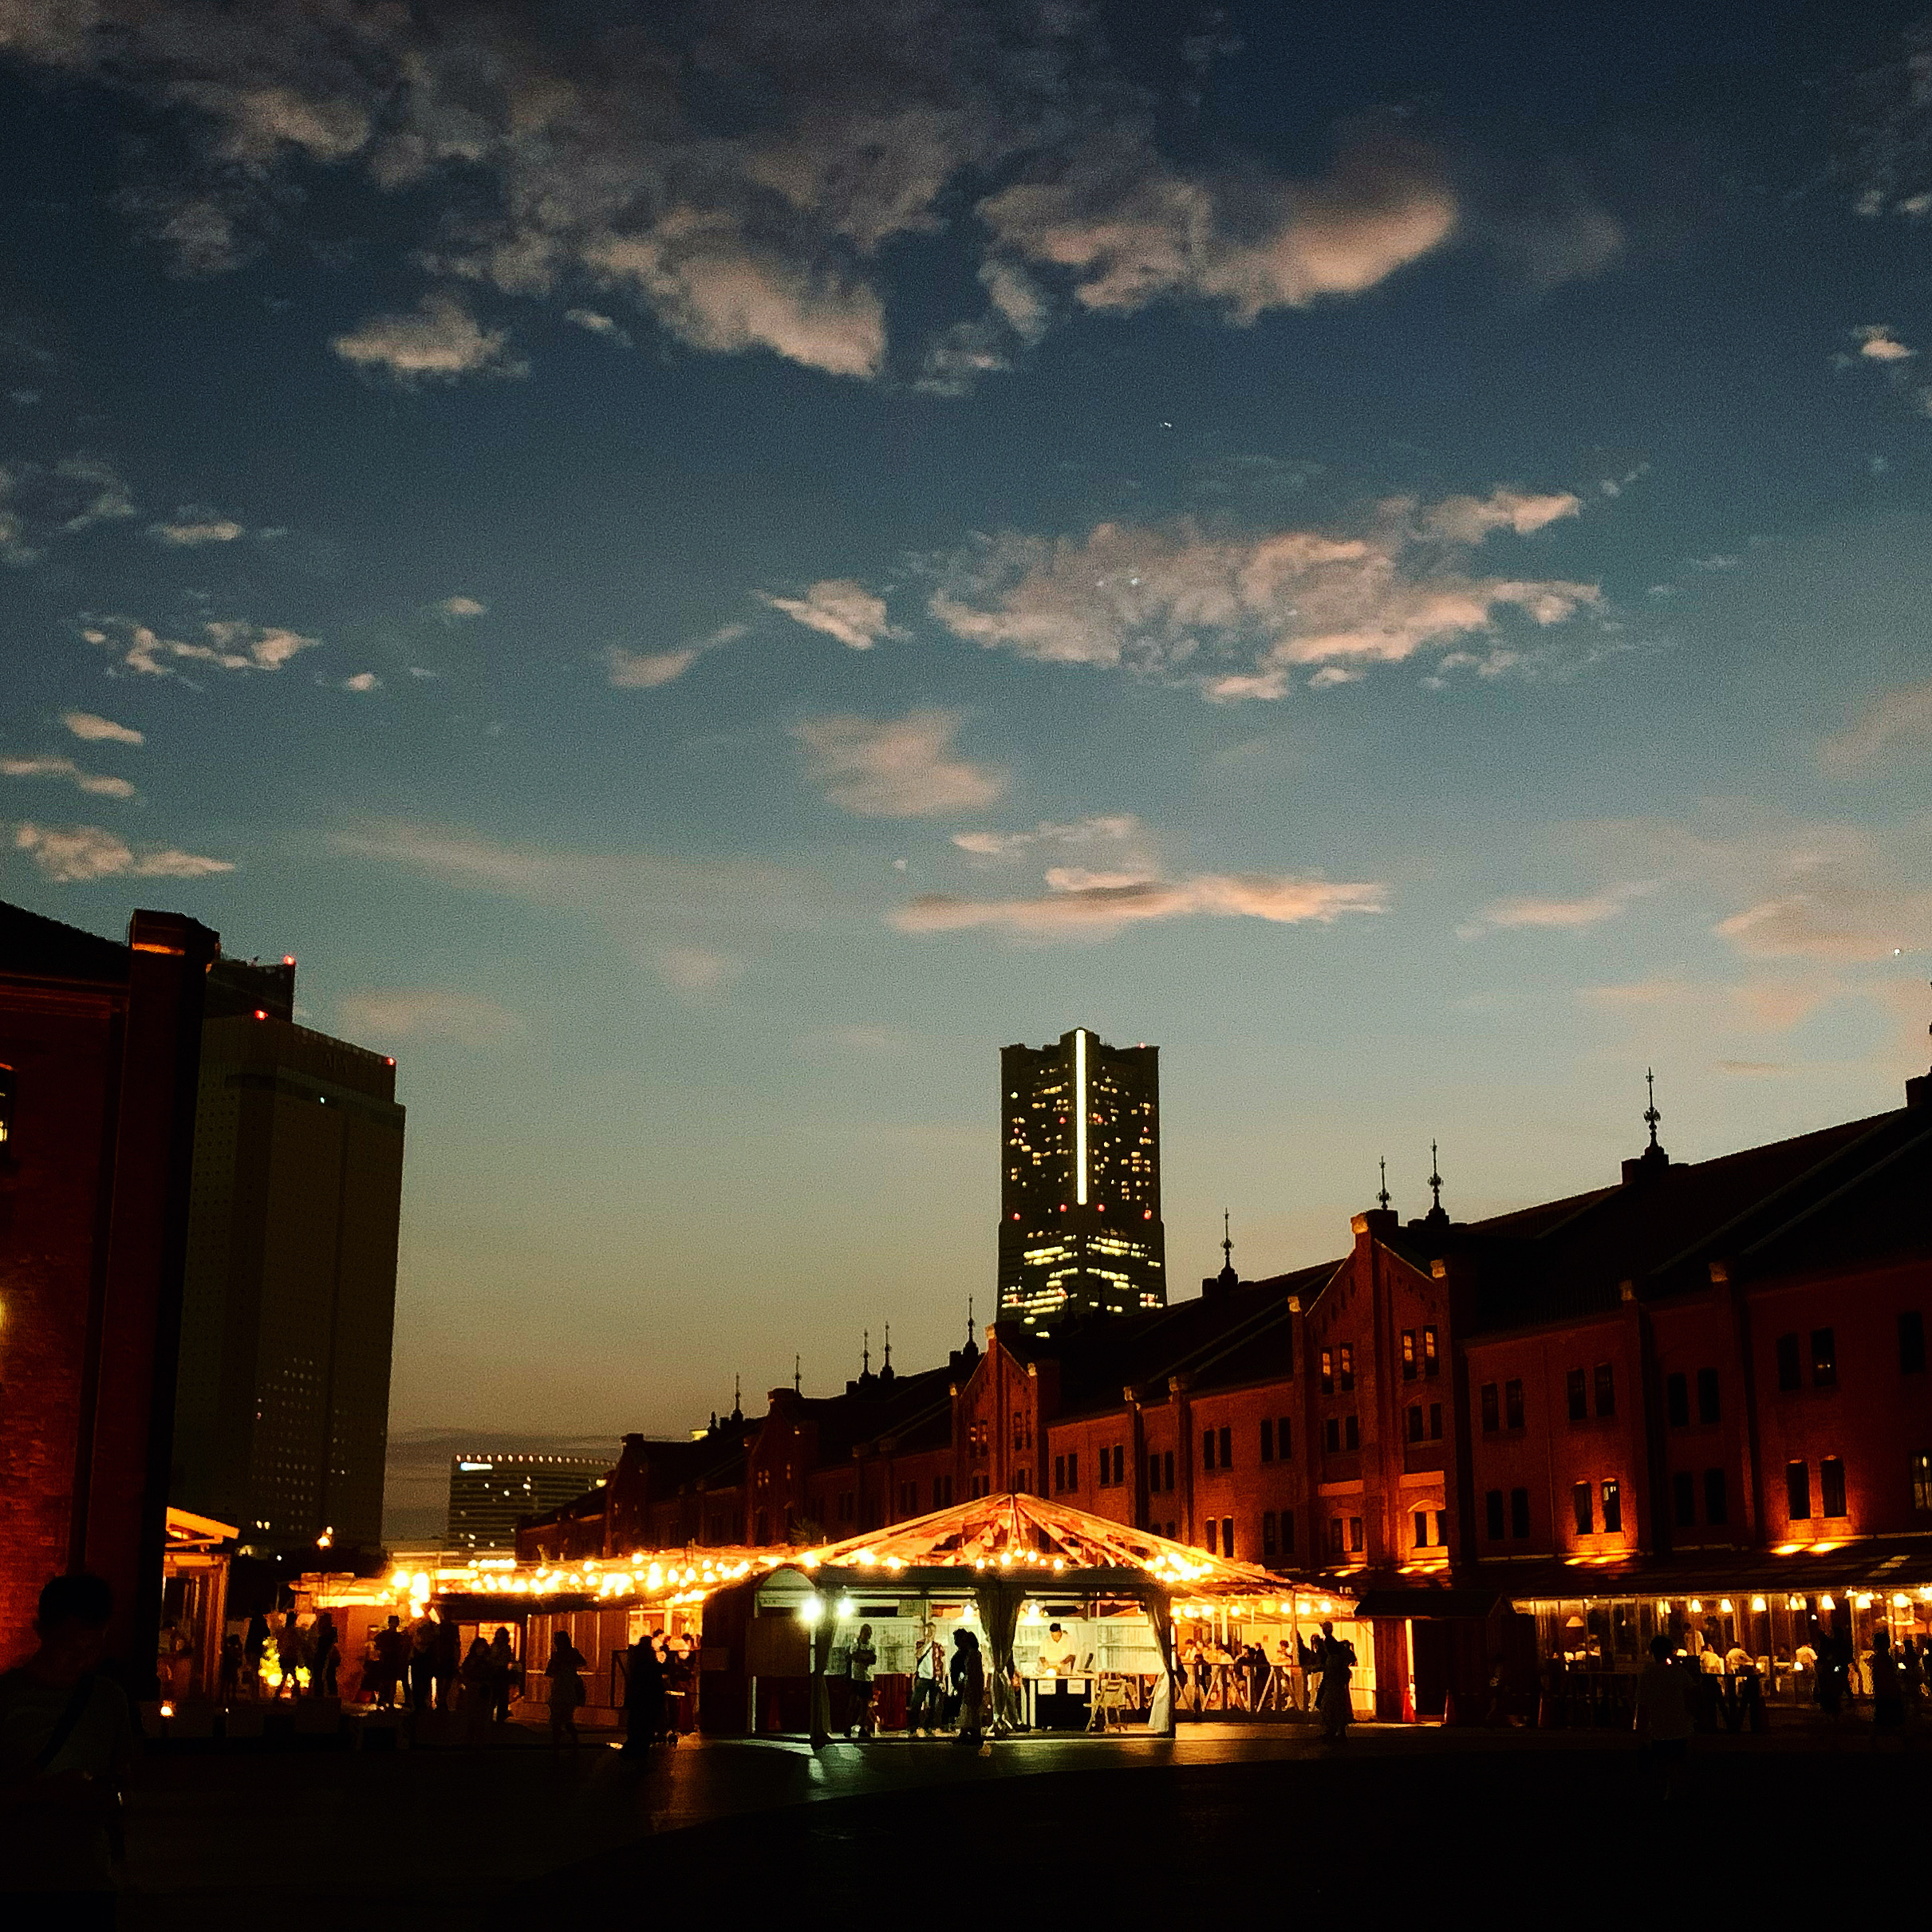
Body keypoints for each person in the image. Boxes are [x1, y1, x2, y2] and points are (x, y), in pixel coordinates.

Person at [0, 1571, 136, 1915]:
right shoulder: (8, 1699)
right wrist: (41, 1792)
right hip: (17, 1881)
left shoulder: (109, 1700)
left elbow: (123, 1778)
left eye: (93, 1646)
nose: (82, 1658)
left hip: (89, 1881)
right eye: (69, 1646)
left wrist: (108, 1796)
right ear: (42, 1632)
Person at [1634, 1634, 1694, 1802]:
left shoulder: (1648, 1675)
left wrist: (1640, 1732)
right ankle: (1677, 1796)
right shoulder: (1680, 1673)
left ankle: (1663, 1796)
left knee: (1661, 1767)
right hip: (1680, 1727)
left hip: (1658, 1728)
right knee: (1679, 1766)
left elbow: (1643, 1705)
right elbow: (1691, 1698)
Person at [621, 1632, 665, 1755]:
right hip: (648, 1694)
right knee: (646, 1721)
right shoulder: (648, 1656)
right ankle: (641, 1753)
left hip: (637, 1693)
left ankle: (633, 1748)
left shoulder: (635, 1657)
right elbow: (658, 1669)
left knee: (636, 1720)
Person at [545, 1632, 588, 1748]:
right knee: (564, 1718)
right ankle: (569, 1740)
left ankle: (560, 1741)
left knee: (559, 1718)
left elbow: (549, 1672)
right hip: (565, 1687)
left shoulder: (560, 1655)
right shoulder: (568, 1654)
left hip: (562, 1687)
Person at [1315, 1621, 1354, 1742]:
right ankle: (1338, 1731)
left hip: (1333, 1682)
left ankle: (1333, 1731)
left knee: (1329, 1706)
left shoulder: (1331, 1647)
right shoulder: (1334, 1645)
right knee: (1336, 1706)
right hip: (1335, 1681)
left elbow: (1328, 1665)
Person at [951, 1630, 986, 1751]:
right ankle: (968, 1733)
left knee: (970, 1710)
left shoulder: (971, 1655)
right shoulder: (975, 1654)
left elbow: (971, 1673)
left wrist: (966, 1685)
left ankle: (972, 1734)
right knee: (970, 1710)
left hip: (971, 1685)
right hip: (974, 1685)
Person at [909, 1622, 943, 1737]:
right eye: (928, 1631)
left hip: (935, 1678)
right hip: (923, 1677)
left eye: (932, 1631)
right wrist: (927, 1643)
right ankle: (915, 1726)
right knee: (917, 1702)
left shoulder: (938, 1647)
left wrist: (942, 1679)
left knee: (934, 1704)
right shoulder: (920, 1644)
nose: (931, 1633)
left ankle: (931, 1726)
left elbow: (941, 1663)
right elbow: (918, 1655)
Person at [1871, 1626, 1905, 1740]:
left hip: (1885, 1690)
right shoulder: (1884, 1658)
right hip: (1888, 1690)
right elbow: (1887, 1674)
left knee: (1883, 1716)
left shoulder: (1881, 1657)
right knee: (1890, 1715)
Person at [845, 1622, 878, 1738]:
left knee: (865, 1705)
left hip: (867, 1678)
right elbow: (855, 1656)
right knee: (853, 1704)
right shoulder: (855, 1645)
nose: (867, 1635)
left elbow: (873, 1659)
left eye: (869, 1633)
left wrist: (862, 1657)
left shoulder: (872, 1647)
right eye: (865, 1633)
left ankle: (862, 1727)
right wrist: (865, 1657)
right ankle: (848, 1727)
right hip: (856, 1677)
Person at [408, 1612, 437, 1714]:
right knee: (420, 1681)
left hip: (424, 1657)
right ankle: (419, 1702)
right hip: (420, 1657)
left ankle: (421, 1702)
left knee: (422, 1681)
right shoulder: (419, 1626)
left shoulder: (431, 1627)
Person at [487, 1627, 517, 1724]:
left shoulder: (505, 1647)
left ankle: (500, 1717)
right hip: (494, 1673)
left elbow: (506, 1660)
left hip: (502, 1673)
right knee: (493, 1696)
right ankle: (491, 1716)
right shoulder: (494, 1646)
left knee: (502, 1697)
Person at [433, 1616, 461, 1713]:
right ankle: (441, 1700)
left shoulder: (442, 1633)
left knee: (443, 1682)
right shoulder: (444, 1633)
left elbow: (456, 1645)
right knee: (443, 1682)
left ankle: (442, 1700)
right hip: (444, 1659)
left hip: (445, 1659)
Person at [310, 1612, 341, 1700]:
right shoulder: (327, 1633)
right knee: (323, 1676)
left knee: (327, 1675)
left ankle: (326, 1695)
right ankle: (323, 1694)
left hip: (327, 1656)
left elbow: (330, 1645)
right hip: (323, 1656)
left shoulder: (329, 1633)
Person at [276, 1610, 304, 1698]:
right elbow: (296, 1644)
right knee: (292, 1676)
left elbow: (279, 1643)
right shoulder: (293, 1632)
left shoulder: (283, 1631)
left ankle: (278, 1695)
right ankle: (296, 1693)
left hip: (284, 1656)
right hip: (290, 1657)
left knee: (286, 1676)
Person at [242, 1611, 270, 1699]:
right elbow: (267, 1633)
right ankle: (255, 1693)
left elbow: (249, 1637)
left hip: (252, 1649)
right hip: (256, 1649)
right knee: (254, 1671)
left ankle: (252, 1693)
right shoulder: (261, 1621)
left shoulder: (253, 1621)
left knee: (252, 1670)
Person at [218, 1633, 244, 1704]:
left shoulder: (228, 1648)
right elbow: (238, 1655)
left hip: (228, 1667)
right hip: (230, 1668)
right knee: (230, 1683)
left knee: (227, 1683)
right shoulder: (231, 1649)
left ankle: (224, 1698)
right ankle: (229, 1698)